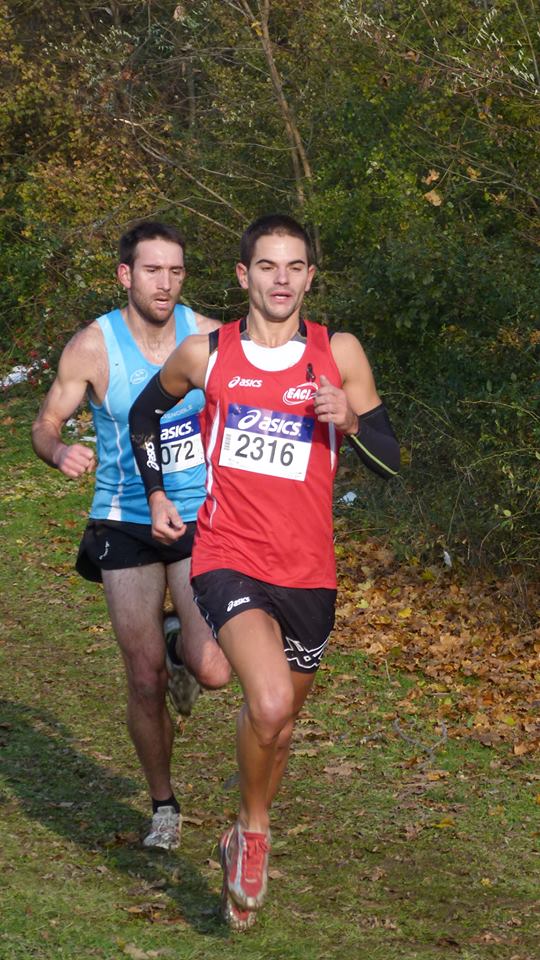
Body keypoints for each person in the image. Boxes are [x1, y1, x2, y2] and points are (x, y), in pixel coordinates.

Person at [128, 214, 400, 929]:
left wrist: (351, 422)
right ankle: (254, 836)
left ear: (311, 276)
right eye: (268, 267)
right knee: (271, 702)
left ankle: (240, 834)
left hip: (310, 572)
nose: (282, 280)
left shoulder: (337, 352)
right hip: (229, 555)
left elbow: (392, 457)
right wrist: (157, 493)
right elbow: (145, 415)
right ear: (245, 275)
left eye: (296, 266)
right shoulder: (205, 354)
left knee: (274, 731)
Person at [31, 220, 230, 852]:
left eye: (175, 271)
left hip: (201, 515)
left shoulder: (209, 337)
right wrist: (57, 449)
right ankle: (164, 805)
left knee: (214, 668)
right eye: (152, 270)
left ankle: (183, 646)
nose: (165, 283)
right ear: (126, 275)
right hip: (123, 518)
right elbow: (46, 421)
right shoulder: (94, 346)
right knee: (142, 678)